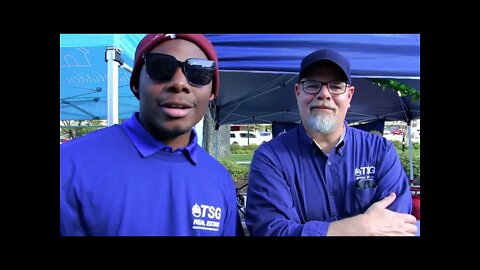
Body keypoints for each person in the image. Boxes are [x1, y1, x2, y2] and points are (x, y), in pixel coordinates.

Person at [60, 34, 243, 236]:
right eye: (161, 67)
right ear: (136, 84)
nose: (180, 83)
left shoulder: (219, 179)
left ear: (211, 93)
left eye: (199, 73)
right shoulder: (68, 165)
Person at [245, 49, 417, 236]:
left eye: (336, 86)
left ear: (349, 96)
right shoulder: (271, 158)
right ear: (297, 93)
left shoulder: (380, 152)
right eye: (312, 85)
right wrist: (361, 226)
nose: (324, 94)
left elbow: (397, 227)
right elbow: (271, 231)